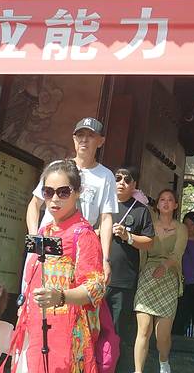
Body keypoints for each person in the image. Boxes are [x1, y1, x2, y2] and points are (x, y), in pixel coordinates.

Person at [11, 159, 105, 373]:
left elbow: (95, 288)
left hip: (66, 334)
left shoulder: (84, 235)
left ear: (77, 192)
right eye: (48, 192)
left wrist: (61, 296)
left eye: (63, 192)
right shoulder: (43, 232)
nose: (54, 199)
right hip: (34, 326)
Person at [26, 117, 118, 284]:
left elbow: (106, 219)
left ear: (101, 141)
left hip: (78, 243)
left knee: (70, 292)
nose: (84, 139)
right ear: (74, 139)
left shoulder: (106, 176)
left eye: (90, 135)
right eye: (80, 135)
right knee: (35, 289)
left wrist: (105, 258)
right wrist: (35, 237)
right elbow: (34, 203)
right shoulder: (57, 168)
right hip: (47, 239)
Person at [133, 189, 188, 373]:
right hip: (147, 278)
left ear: (176, 205)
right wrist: (140, 275)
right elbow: (142, 254)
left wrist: (164, 266)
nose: (166, 202)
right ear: (157, 204)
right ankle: (138, 370)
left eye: (170, 200)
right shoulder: (149, 226)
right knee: (144, 329)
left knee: (162, 335)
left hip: (169, 277)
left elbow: (177, 254)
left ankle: (164, 362)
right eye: (162, 199)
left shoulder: (181, 228)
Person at [106, 167, 154, 369]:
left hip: (123, 281)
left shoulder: (141, 210)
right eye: (118, 178)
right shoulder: (104, 204)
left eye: (127, 180)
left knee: (117, 329)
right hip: (96, 276)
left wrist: (128, 236)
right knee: (91, 325)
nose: (122, 182)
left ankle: (114, 367)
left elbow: (149, 242)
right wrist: (99, 231)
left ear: (134, 185)